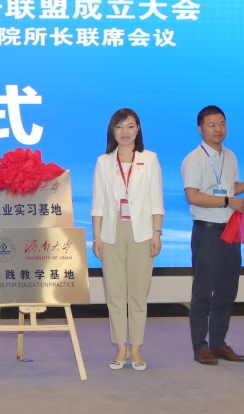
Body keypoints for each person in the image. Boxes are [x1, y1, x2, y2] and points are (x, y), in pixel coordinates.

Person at [181, 105, 244, 366]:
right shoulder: (194, 159)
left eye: (222, 123)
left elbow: (230, 187)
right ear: (200, 129)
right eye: (212, 124)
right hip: (207, 232)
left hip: (231, 231)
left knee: (227, 290)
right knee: (203, 292)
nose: (218, 129)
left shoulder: (230, 156)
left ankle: (218, 343)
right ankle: (200, 346)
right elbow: (193, 196)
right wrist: (227, 201)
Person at [91, 108, 164, 372]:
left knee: (138, 294)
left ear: (138, 130)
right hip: (111, 233)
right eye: (119, 126)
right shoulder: (103, 162)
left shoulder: (150, 159)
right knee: (115, 294)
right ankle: (121, 347)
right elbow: (98, 204)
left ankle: (136, 348)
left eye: (130, 126)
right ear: (112, 131)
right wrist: (96, 237)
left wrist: (157, 232)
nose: (125, 132)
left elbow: (157, 200)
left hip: (142, 233)